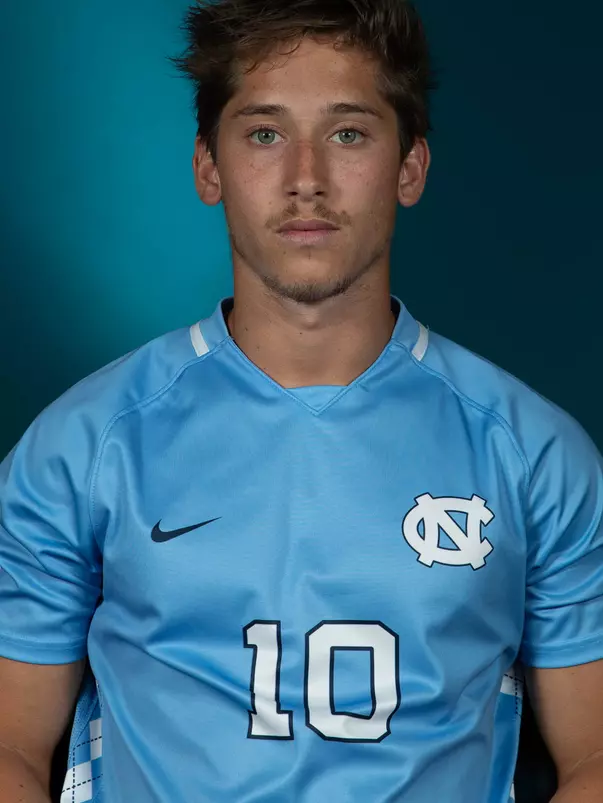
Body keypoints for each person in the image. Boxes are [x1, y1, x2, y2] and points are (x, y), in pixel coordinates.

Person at [1, 0, 602, 800]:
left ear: (410, 167)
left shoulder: (532, 453)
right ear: (207, 168)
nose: (305, 179)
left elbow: (593, 755)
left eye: (347, 133)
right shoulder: (83, 444)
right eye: (263, 133)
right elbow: (11, 743)